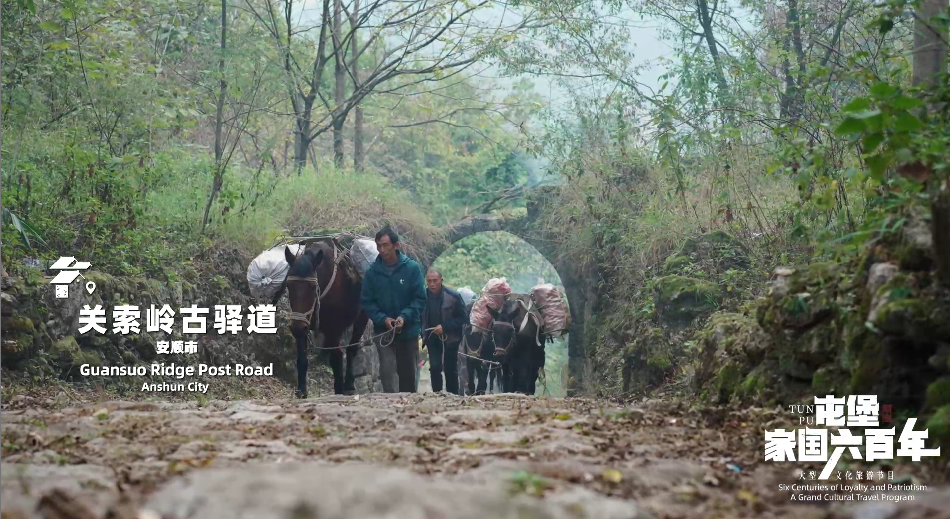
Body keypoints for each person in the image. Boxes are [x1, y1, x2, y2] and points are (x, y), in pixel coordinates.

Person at [359, 227, 427, 393]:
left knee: (408, 373)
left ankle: (408, 403)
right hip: (384, 332)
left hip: (408, 330)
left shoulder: (411, 268)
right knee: (387, 370)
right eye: (379, 246)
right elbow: (367, 302)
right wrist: (383, 319)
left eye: (385, 245)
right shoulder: (372, 273)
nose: (382, 250)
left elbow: (420, 298)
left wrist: (405, 316)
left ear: (396, 245)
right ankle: (391, 403)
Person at [420, 268, 466, 395]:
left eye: (435, 280)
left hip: (451, 338)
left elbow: (463, 318)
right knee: (435, 367)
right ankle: (437, 394)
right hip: (431, 337)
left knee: (450, 367)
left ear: (441, 280)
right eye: (429, 281)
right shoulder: (422, 297)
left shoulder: (453, 297)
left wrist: (444, 327)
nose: (432, 284)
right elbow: (419, 316)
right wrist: (421, 332)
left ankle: (453, 394)